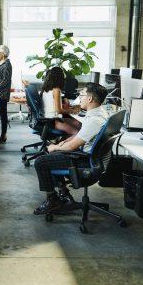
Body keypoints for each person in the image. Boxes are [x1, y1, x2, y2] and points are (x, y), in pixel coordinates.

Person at [33, 83, 109, 214]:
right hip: (92, 158)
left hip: (85, 161)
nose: (80, 97)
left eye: (82, 95)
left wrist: (55, 147)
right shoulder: (99, 113)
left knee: (41, 161)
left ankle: (52, 200)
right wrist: (61, 144)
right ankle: (63, 194)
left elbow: (73, 146)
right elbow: (79, 136)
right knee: (51, 155)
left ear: (90, 99)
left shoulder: (94, 120)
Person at [41, 67, 82, 136]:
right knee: (78, 135)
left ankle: (63, 143)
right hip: (54, 121)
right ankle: (62, 145)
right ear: (60, 77)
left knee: (78, 124)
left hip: (49, 119)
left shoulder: (46, 89)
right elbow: (59, 111)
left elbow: (52, 106)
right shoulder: (56, 90)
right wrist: (73, 110)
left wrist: (69, 108)